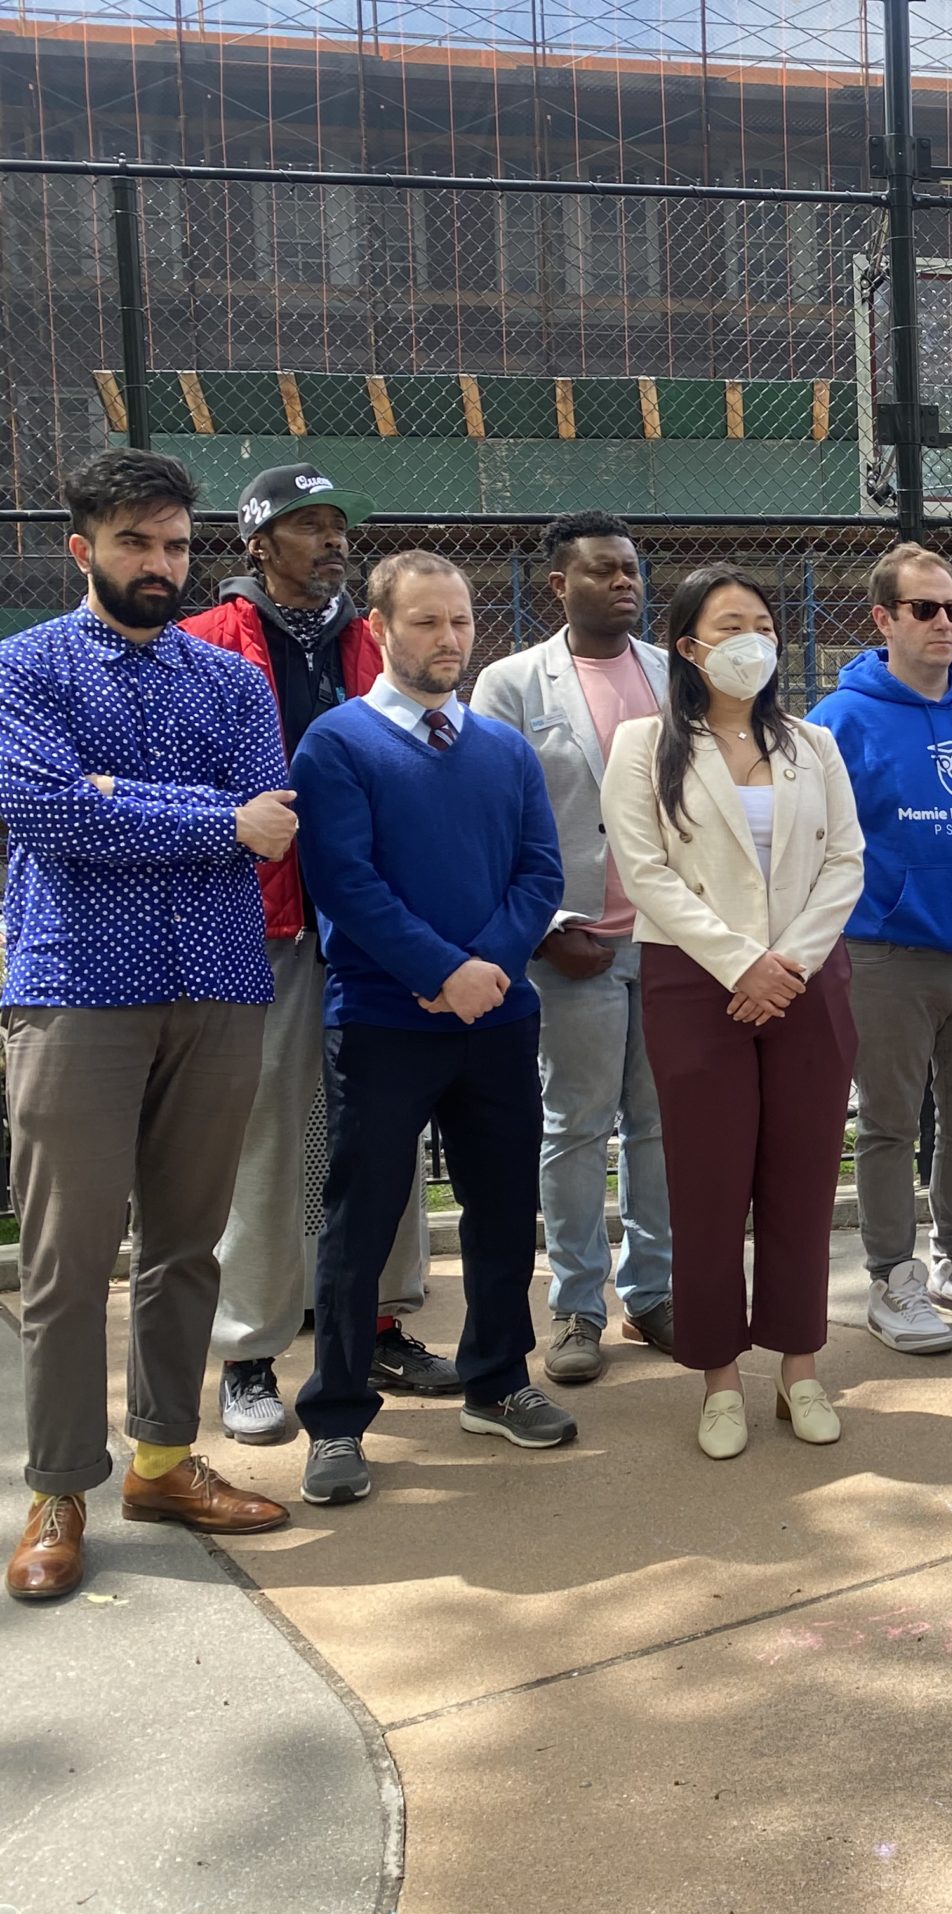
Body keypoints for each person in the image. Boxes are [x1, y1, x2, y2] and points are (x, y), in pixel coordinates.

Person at [1, 448, 292, 1601]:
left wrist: (123, 797)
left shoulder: (233, 682)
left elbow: (274, 819)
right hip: (75, 987)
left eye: (175, 543)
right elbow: (44, 811)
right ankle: (59, 1489)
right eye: (136, 542)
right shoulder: (25, 667)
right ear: (83, 549)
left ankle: (165, 1463)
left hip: (218, 985)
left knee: (186, 1244)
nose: (160, 563)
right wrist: (213, 819)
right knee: (68, 1258)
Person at [290, 551, 574, 1505]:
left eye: (459, 620)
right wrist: (441, 972)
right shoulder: (337, 744)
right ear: (377, 629)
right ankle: (336, 1417)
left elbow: (539, 871)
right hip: (381, 1021)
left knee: (503, 1210)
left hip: (497, 1018)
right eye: (425, 622)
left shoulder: (503, 749)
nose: (449, 639)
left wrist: (483, 970)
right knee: (359, 1222)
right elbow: (345, 882)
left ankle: (496, 1382)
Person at [182, 464, 449, 1445]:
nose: (332, 538)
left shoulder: (375, 640)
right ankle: (249, 1351)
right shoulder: (207, 642)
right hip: (267, 926)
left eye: (339, 523)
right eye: (309, 525)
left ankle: (376, 1323)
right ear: (257, 543)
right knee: (267, 1136)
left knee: (385, 1126)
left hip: (377, 922)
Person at [601, 567, 865, 1458]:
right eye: (729, 625)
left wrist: (786, 963)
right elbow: (645, 871)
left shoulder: (812, 744)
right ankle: (719, 1379)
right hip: (694, 981)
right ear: (688, 646)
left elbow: (846, 861)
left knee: (803, 1179)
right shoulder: (645, 744)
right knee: (707, 1185)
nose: (752, 640)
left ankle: (800, 1369)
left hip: (805, 979)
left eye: (763, 624)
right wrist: (739, 961)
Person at [808, 541, 952, 1354]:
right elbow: (820, 836)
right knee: (889, 1124)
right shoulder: (838, 721)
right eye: (925, 608)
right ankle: (890, 1277)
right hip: (886, 953)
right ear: (883, 618)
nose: (945, 623)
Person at [470, 511, 676, 1385]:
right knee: (576, 1127)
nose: (624, 582)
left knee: (660, 1127)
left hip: (667, 941)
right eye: (602, 570)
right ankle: (578, 1308)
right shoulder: (512, 684)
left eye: (631, 569)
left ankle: (655, 1295)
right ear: (559, 584)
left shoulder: (674, 674)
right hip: (573, 946)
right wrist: (549, 929)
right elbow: (489, 820)